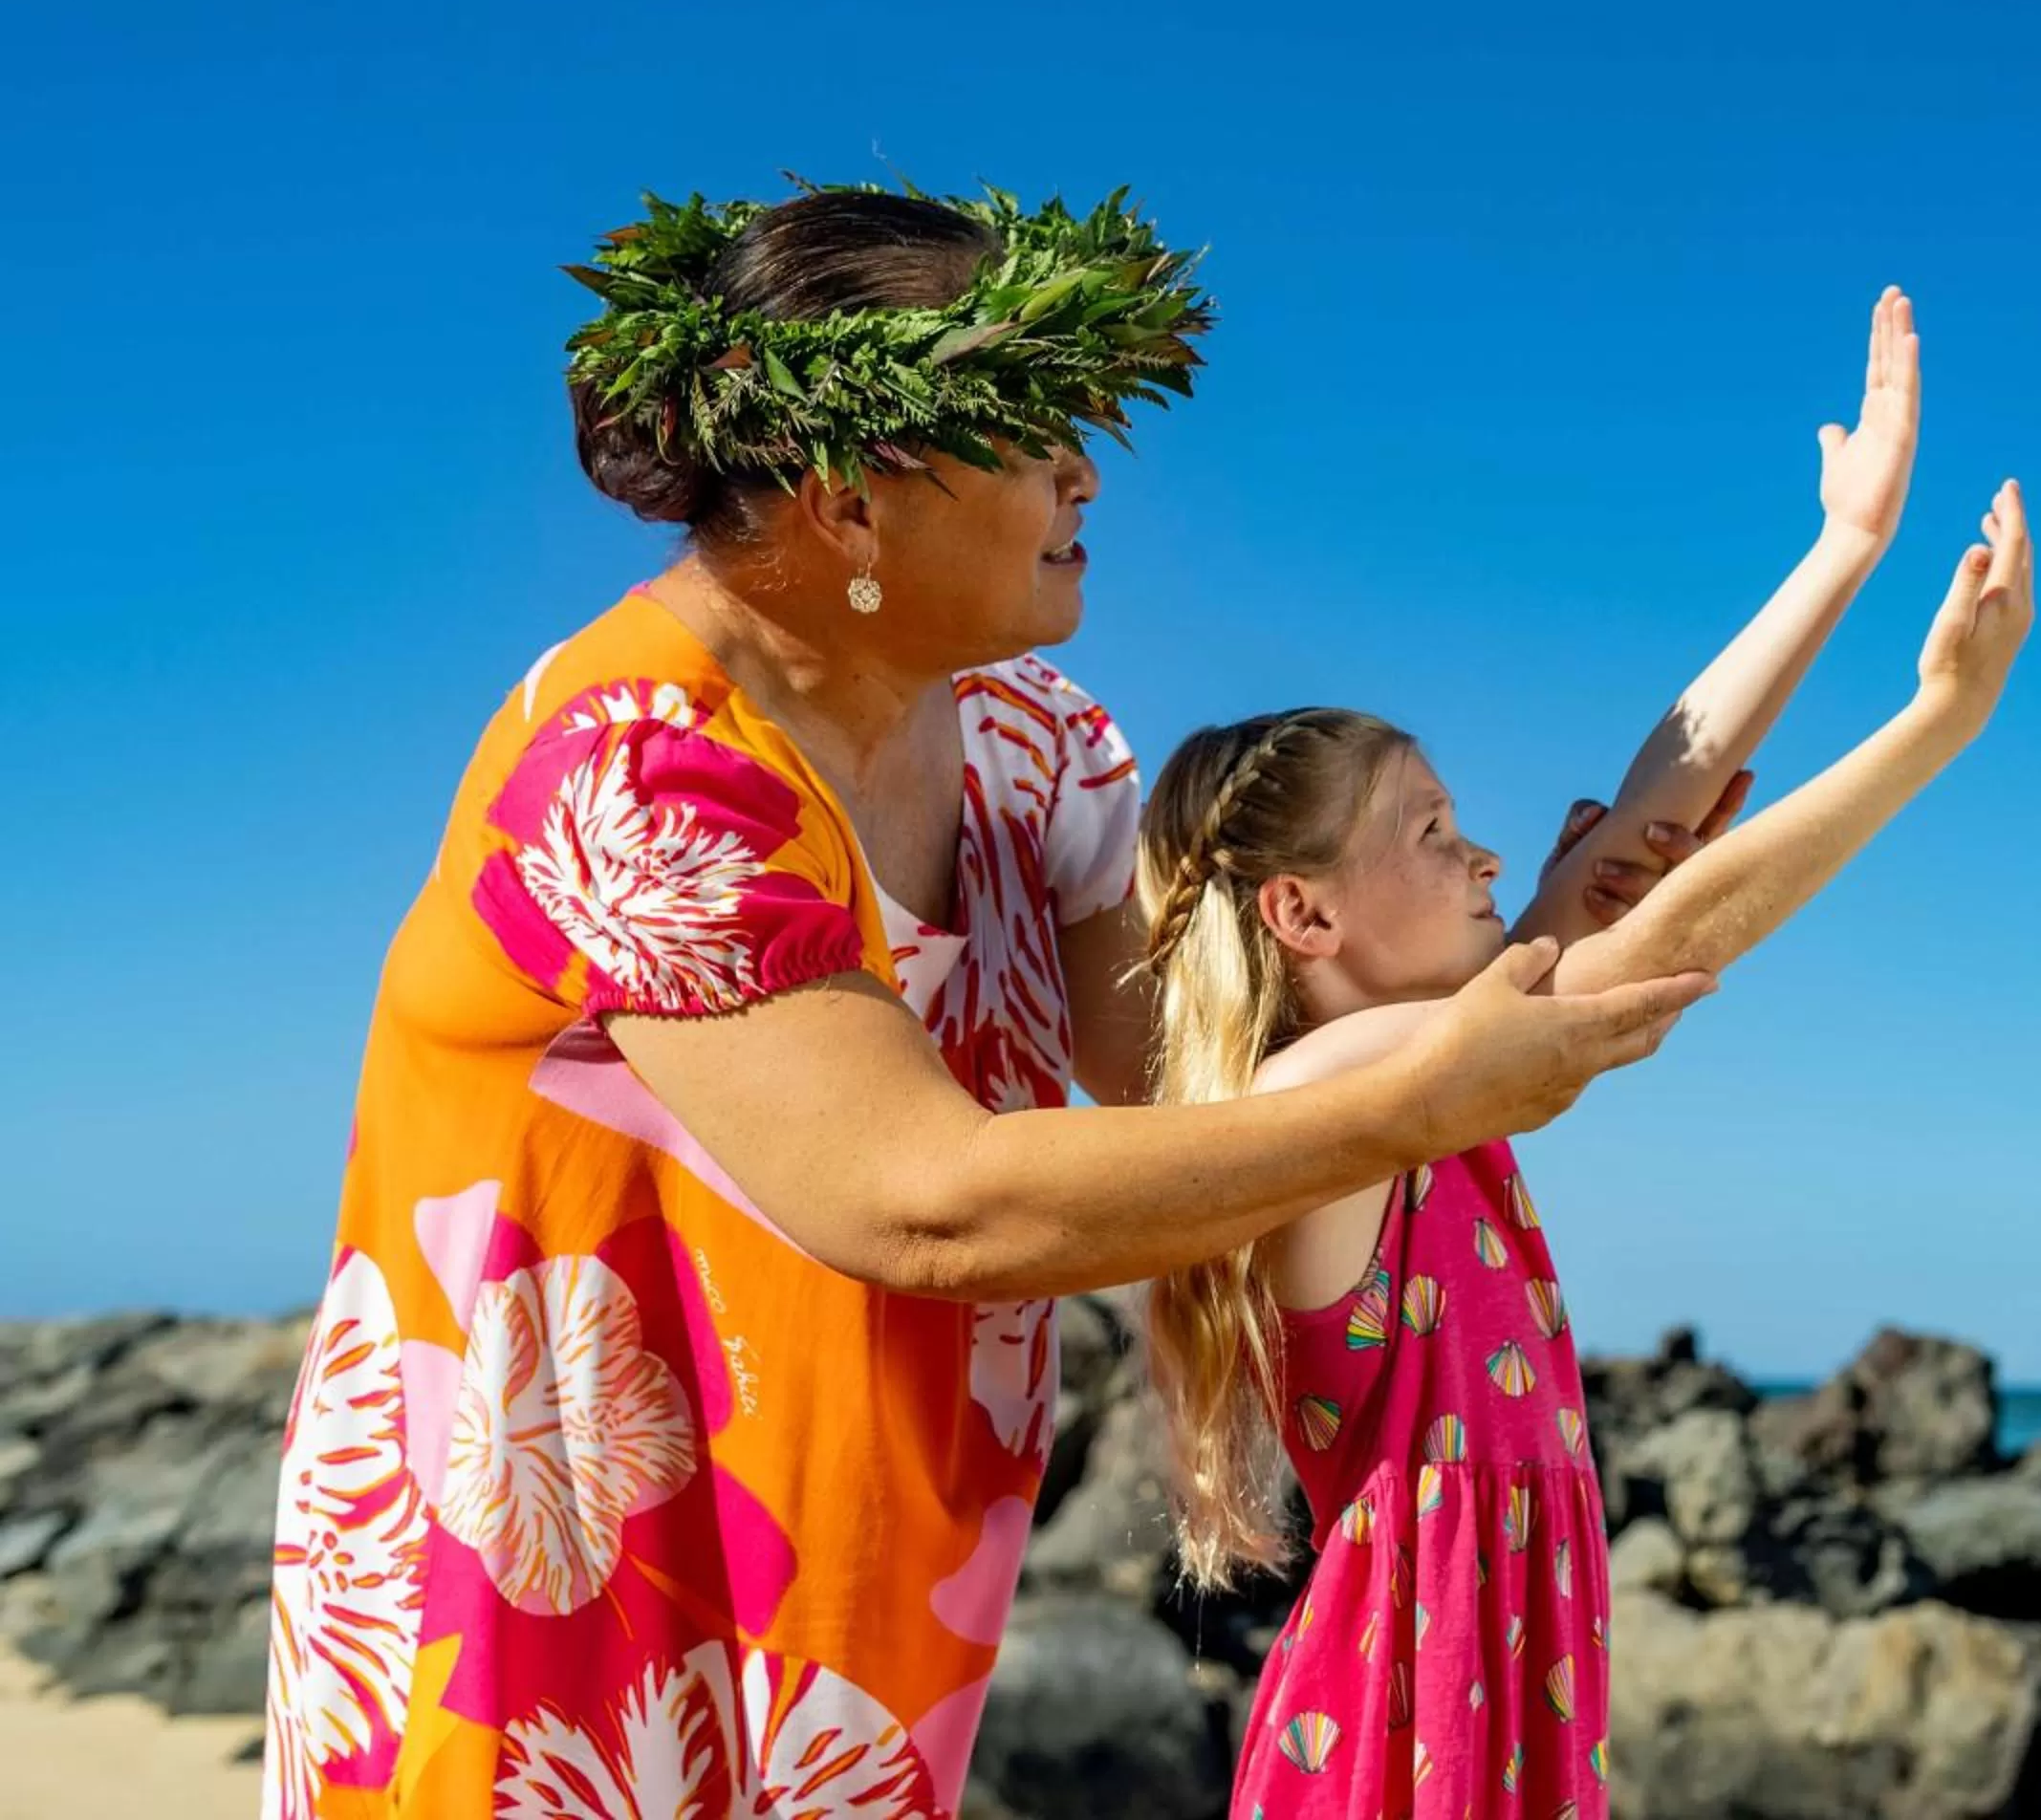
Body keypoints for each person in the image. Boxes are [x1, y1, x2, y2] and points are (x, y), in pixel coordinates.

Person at [258, 179, 1716, 1820]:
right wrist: (1428, 1098)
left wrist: (1541, 930)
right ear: (845, 505)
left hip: (860, 1602)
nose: (1086, 470)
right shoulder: (635, 768)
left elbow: (1208, 1083)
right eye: (1028, 433)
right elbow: (920, 1202)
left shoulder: (1034, 744)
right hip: (547, 1597)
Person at [1132, 292, 2038, 1815]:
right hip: (1393, 1727)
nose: (1486, 853)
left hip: (1499, 1685)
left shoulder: (1440, 1083)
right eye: (1432, 831)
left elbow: (1649, 826)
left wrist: (1847, 548)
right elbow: (1657, 940)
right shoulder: (1317, 1104)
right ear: (1304, 913)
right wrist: (1935, 725)